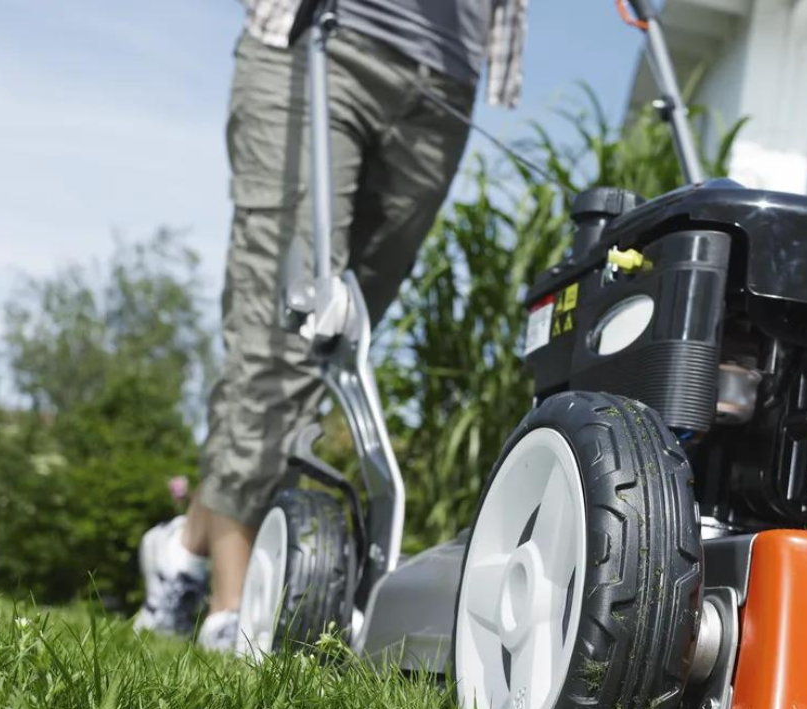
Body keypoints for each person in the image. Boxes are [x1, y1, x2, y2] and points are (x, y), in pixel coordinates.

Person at [135, 0, 529, 649]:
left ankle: (185, 548)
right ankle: (234, 617)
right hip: (321, 35)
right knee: (284, 323)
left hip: (444, 85)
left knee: (336, 339)